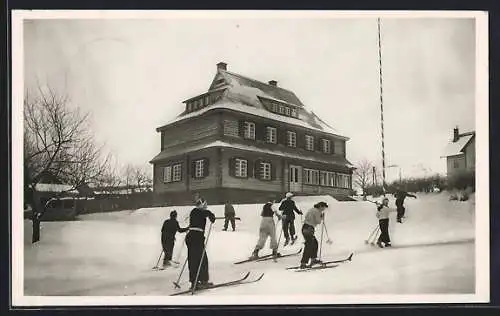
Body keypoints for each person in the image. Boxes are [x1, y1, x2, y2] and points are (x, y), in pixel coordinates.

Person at [185, 198, 216, 290]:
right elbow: (204, 213)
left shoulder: (198, 212)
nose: (206, 206)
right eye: (205, 204)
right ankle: (198, 282)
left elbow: (204, 213)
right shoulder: (195, 211)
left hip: (195, 238)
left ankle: (199, 281)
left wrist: (209, 214)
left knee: (197, 260)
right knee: (199, 260)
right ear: (201, 205)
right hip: (195, 238)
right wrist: (210, 214)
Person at [300, 201, 329, 269]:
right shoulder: (317, 211)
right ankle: (303, 263)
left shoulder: (311, 209)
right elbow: (318, 221)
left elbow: (307, 217)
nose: (323, 210)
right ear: (320, 206)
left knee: (314, 243)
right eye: (323, 208)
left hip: (305, 227)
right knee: (309, 245)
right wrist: (321, 217)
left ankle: (313, 259)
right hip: (309, 228)